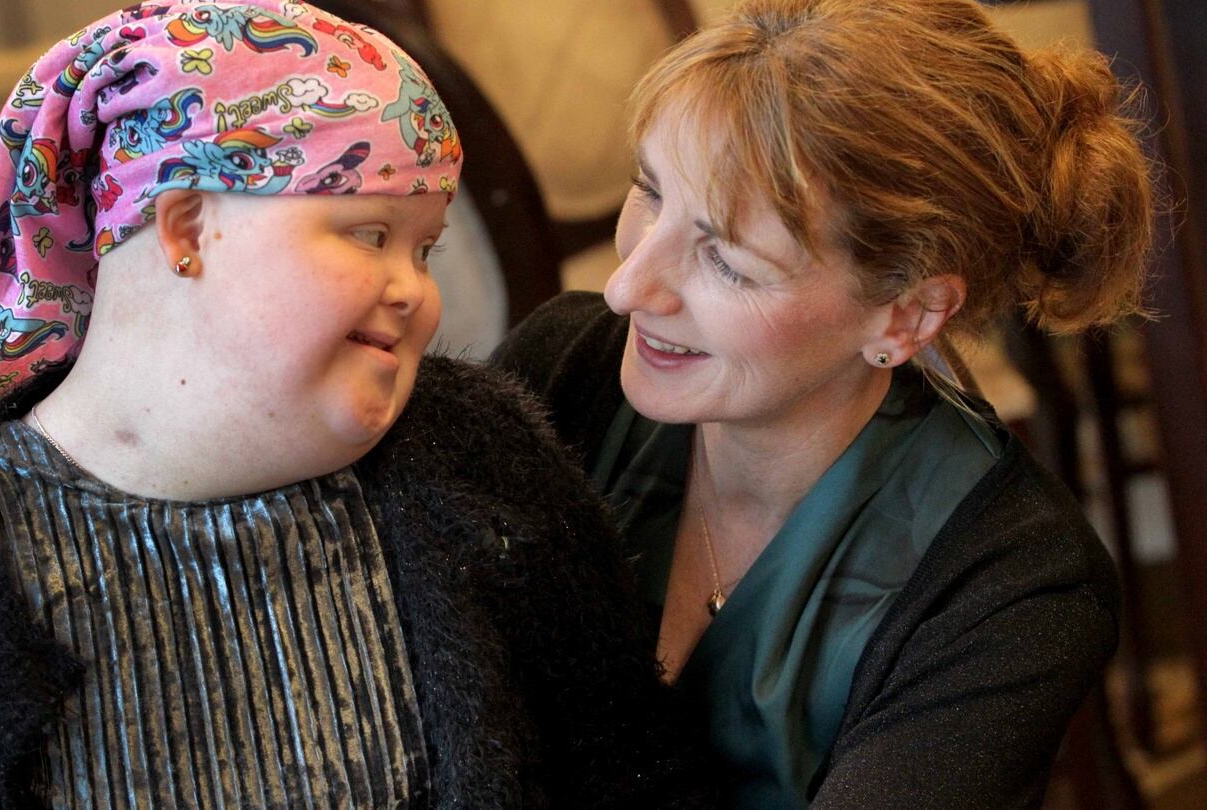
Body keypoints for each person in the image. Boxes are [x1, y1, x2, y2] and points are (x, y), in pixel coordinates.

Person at [0, 3, 712, 807]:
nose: (416, 292)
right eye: (368, 233)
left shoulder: (485, 455)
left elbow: (635, 777)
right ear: (188, 226)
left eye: (424, 250)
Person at [494, 0, 1154, 806]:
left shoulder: (1009, 587)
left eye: (728, 260)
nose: (629, 287)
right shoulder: (560, 375)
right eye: (651, 192)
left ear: (906, 314)